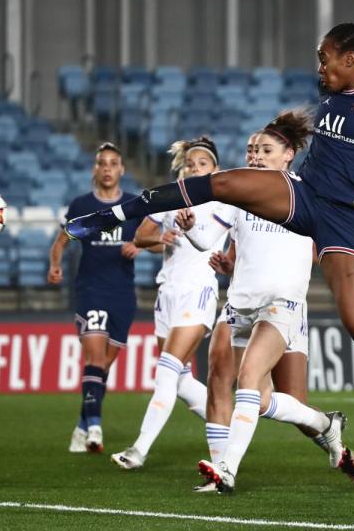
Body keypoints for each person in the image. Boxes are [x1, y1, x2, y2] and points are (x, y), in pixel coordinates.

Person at [63, 17, 354, 410]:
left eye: (325, 59)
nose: (320, 68)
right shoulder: (331, 92)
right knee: (221, 184)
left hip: (342, 219)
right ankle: (114, 214)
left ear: (351, 59)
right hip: (301, 194)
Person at [197, 112, 354, 494]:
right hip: (239, 305)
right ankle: (228, 467)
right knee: (245, 391)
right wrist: (192, 232)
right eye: (251, 149)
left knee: (256, 385)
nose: (255, 155)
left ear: (289, 155)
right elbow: (210, 238)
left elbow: (340, 231)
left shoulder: (310, 193)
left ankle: (228, 469)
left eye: (265, 149)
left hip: (282, 305)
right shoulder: (239, 192)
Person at [110, 137, 226, 470]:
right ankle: (227, 422)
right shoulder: (171, 198)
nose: (195, 168)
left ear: (214, 169)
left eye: (202, 163)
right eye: (190, 163)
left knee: (166, 372)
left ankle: (139, 450)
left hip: (198, 290)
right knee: (180, 380)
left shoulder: (223, 202)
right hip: (168, 293)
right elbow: (141, 236)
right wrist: (161, 237)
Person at [48, 142, 141, 453]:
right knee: (95, 359)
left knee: (103, 367)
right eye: (102, 163)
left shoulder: (132, 205)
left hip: (122, 294)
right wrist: (55, 265)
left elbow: (153, 238)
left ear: (121, 170)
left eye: (113, 163)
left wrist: (140, 245)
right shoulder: (82, 206)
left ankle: (82, 425)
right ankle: (96, 429)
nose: (107, 169)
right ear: (95, 169)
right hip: (91, 290)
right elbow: (62, 241)